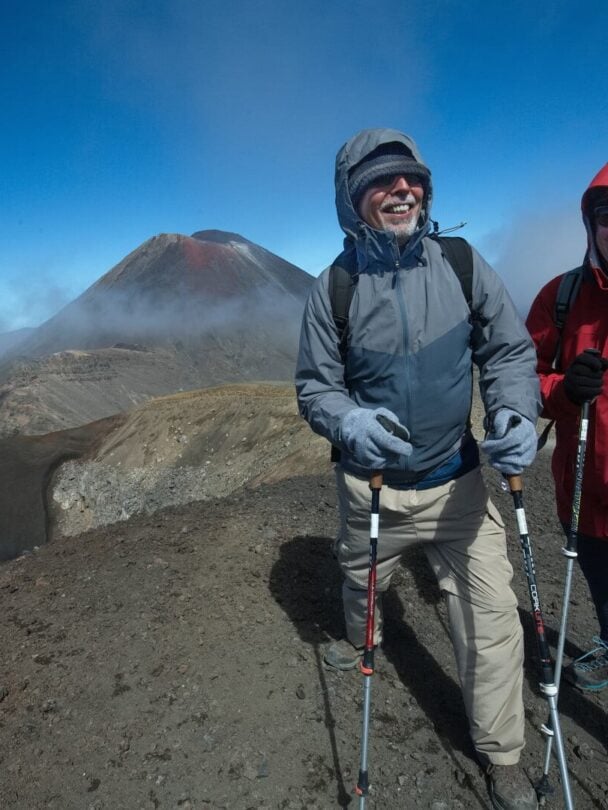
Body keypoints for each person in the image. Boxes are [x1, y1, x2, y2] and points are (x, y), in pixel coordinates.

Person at [295, 128, 541, 810]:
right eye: (383, 181)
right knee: (361, 580)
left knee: (493, 620)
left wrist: (515, 414)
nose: (404, 189)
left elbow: (510, 352)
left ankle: (503, 758)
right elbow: (315, 386)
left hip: (459, 487)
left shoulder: (461, 263)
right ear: (353, 201)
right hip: (371, 491)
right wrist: (346, 420)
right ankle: (363, 635)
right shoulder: (334, 289)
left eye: (413, 179)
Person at [526, 163, 608, 692]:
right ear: (591, 225)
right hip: (586, 496)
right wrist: (563, 391)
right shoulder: (561, 298)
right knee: (603, 588)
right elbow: (520, 380)